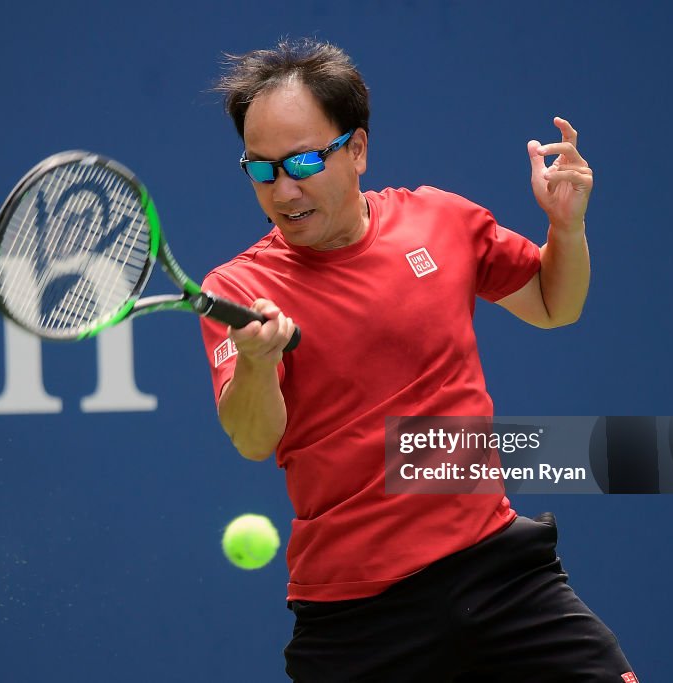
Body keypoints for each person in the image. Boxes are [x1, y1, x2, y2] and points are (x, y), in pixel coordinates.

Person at [198, 39, 636, 682]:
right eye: (261, 170)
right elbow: (252, 437)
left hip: (500, 573)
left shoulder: (440, 221)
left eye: (302, 162)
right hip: (357, 616)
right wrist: (260, 364)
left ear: (358, 151)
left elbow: (552, 304)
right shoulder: (237, 290)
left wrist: (565, 230)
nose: (283, 190)